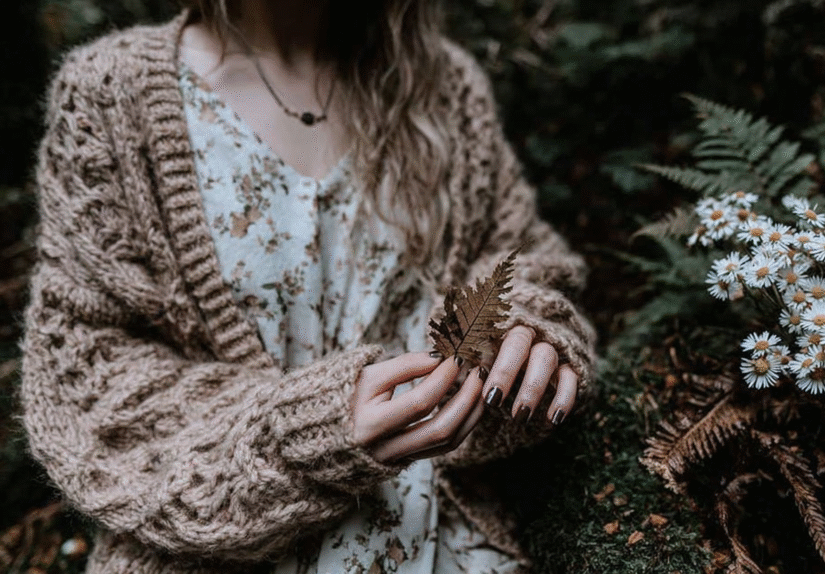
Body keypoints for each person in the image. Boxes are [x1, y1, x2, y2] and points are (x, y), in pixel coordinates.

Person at [17, 0, 597, 573]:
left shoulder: (442, 86)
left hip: (448, 540)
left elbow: (517, 254)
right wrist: (298, 435)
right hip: (211, 552)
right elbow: (86, 370)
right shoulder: (111, 93)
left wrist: (523, 326)